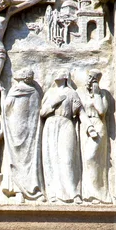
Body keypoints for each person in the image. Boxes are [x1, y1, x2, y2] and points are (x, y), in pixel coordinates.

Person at [40, 69, 90, 203]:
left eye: (60, 73)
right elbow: (42, 113)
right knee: (51, 159)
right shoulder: (50, 93)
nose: (56, 75)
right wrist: (53, 103)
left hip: (66, 124)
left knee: (67, 158)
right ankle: (53, 193)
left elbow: (80, 112)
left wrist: (89, 126)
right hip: (51, 125)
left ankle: (74, 193)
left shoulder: (72, 93)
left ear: (65, 77)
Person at [1, 68, 45, 201]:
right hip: (31, 129)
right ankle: (32, 189)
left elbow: (6, 107)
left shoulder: (15, 89)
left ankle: (19, 191)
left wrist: (3, 93)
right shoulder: (36, 92)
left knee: (15, 157)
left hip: (16, 127)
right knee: (29, 158)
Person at [78, 69, 111, 203]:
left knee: (92, 158)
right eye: (89, 77)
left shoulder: (102, 94)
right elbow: (79, 110)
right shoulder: (80, 92)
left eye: (94, 79)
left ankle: (98, 194)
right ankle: (88, 194)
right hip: (85, 126)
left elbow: (102, 111)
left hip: (98, 125)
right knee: (85, 160)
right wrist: (88, 126)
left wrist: (97, 94)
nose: (90, 80)